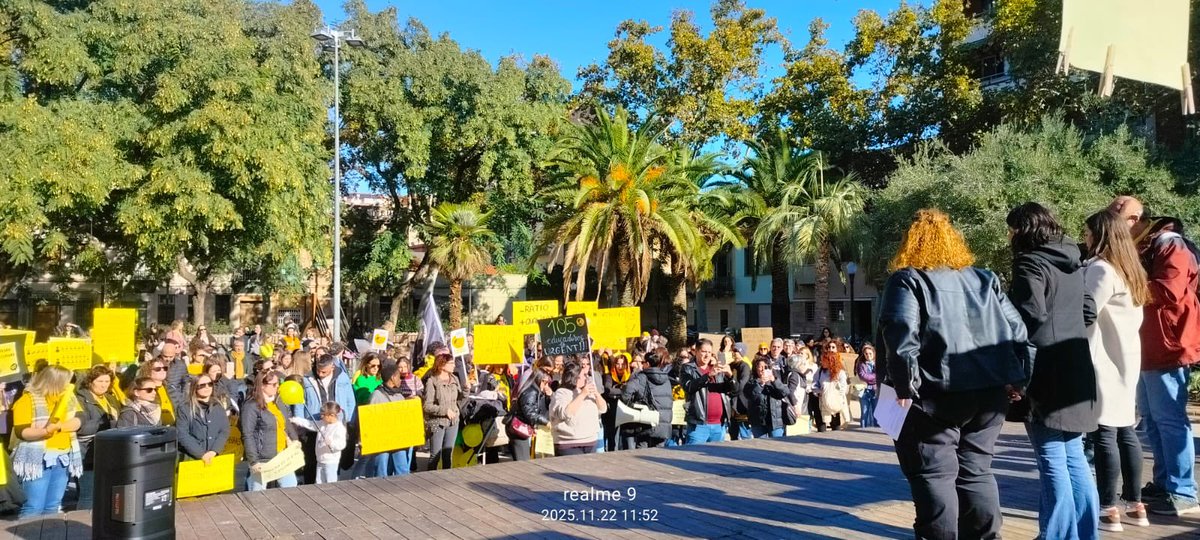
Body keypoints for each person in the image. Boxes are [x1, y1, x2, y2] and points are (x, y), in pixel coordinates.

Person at [878, 209, 1034, 540]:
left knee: (934, 475)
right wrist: (1018, 379)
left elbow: (901, 334)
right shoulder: (985, 279)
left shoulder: (908, 279)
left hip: (935, 394)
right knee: (977, 472)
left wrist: (904, 387)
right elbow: (1019, 332)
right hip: (989, 393)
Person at [1006, 202, 1099, 540]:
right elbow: (1089, 310)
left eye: (1011, 230)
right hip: (1076, 365)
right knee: (1074, 457)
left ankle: (1057, 536)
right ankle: (1085, 533)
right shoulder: (1073, 260)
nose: (1009, 236)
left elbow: (1029, 318)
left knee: (1052, 461)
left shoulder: (1029, 262)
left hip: (1044, 371)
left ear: (1023, 230)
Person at [1112, 197, 1200, 516]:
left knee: (1170, 419)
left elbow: (1169, 290)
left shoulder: (1169, 244)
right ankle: (1165, 484)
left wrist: (1121, 288)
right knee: (1152, 419)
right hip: (1149, 345)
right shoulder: (1146, 245)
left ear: (1135, 219)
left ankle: (1183, 491)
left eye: (1116, 220)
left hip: (1169, 344)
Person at [1081, 210, 1152, 531]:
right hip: (1127, 357)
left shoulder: (1102, 269)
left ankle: (1108, 507)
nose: (1085, 238)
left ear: (1100, 235)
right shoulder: (1131, 269)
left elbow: (1086, 311)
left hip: (1103, 359)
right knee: (1125, 431)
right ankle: (1136, 505)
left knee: (1104, 433)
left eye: (1087, 232)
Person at [10, 365, 83, 519]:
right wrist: (44, 432)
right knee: (34, 506)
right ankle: (27, 531)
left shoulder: (69, 398)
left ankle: (49, 531)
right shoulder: (27, 399)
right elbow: (22, 431)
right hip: (38, 459)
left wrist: (60, 427)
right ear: (55, 381)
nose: (69, 384)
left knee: (53, 505)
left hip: (63, 456)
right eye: (66, 381)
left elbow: (78, 421)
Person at [298, 354, 356, 484]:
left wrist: (348, 421)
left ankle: (332, 484)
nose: (320, 374)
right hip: (314, 422)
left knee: (333, 459)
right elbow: (300, 402)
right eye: (318, 370)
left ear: (332, 367)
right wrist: (300, 425)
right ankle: (310, 487)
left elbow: (350, 400)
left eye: (324, 372)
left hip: (335, 423)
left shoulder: (342, 377)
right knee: (311, 461)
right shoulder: (307, 379)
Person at [241, 371, 299, 490]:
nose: (277, 386)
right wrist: (253, 461)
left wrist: (295, 440)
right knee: (257, 493)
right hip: (262, 458)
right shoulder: (251, 406)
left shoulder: (278, 402)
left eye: (278, 383)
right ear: (262, 385)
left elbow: (286, 423)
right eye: (273, 384)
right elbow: (247, 434)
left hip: (282, 455)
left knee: (291, 488)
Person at [74, 366, 121, 511]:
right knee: (88, 495)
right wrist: (108, 423)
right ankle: (82, 521)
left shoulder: (110, 398)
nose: (104, 385)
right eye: (100, 381)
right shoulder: (80, 399)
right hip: (87, 453)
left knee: (105, 493)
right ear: (90, 382)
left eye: (107, 381)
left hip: (108, 452)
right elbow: (81, 428)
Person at [678, 338, 734, 444]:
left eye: (709, 352)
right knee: (693, 454)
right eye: (704, 351)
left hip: (719, 425)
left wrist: (730, 376)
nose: (707, 355)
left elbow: (733, 391)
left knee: (716, 455)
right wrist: (708, 376)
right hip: (699, 425)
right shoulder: (687, 368)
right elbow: (688, 386)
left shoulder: (717, 368)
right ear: (696, 352)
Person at [549, 360, 607, 456]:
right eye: (584, 375)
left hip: (590, 442)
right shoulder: (561, 393)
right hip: (569, 444)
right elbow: (565, 413)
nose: (586, 378)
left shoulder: (588, 391)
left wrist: (597, 394)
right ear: (575, 377)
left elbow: (603, 409)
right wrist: (582, 395)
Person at [619, 349, 673, 449]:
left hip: (646, 422)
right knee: (658, 455)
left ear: (647, 364)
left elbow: (627, 391)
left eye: (643, 362)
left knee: (642, 452)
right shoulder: (667, 379)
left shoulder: (642, 377)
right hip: (664, 424)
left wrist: (631, 405)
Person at [369, 361, 413, 476]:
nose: (400, 380)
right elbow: (371, 418)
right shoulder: (377, 395)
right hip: (382, 439)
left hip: (398, 437)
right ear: (392, 378)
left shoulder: (399, 395)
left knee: (402, 468)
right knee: (381, 469)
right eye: (398, 376)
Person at [175, 373, 230, 464]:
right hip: (192, 458)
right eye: (202, 385)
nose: (207, 387)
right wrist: (200, 454)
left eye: (210, 384)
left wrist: (214, 450)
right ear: (195, 388)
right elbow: (182, 434)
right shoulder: (185, 408)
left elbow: (224, 430)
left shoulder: (218, 406)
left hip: (215, 456)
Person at [424, 353, 465, 470]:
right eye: (451, 363)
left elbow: (460, 400)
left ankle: (447, 478)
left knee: (448, 454)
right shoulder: (432, 381)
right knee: (435, 455)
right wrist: (444, 410)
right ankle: (430, 477)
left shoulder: (455, 379)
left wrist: (466, 390)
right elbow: (427, 406)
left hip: (453, 422)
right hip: (437, 422)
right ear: (442, 365)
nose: (454, 365)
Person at [290, 402, 347, 484]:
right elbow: (310, 424)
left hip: (331, 461)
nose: (321, 416)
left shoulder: (339, 428)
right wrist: (297, 420)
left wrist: (331, 443)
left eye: (324, 415)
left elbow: (342, 444)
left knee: (330, 482)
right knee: (319, 482)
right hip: (320, 460)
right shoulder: (322, 424)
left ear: (332, 415)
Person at [508, 369, 552, 461]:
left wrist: (548, 396)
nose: (546, 385)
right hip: (519, 428)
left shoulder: (533, 390)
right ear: (540, 380)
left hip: (521, 427)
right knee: (523, 460)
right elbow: (529, 412)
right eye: (545, 382)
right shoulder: (531, 392)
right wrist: (545, 422)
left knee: (523, 459)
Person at [744, 357, 790, 438]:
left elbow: (785, 392)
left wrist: (774, 380)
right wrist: (761, 384)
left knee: (776, 443)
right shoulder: (751, 382)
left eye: (765, 367)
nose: (763, 370)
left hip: (775, 421)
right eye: (760, 367)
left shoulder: (775, 380)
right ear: (755, 369)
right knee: (760, 444)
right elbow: (751, 396)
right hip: (758, 421)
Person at [815, 346, 850, 432]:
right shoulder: (820, 371)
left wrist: (836, 393)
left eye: (824, 360)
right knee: (823, 425)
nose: (821, 362)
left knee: (836, 427)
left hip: (837, 402)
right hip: (824, 401)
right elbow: (814, 383)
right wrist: (818, 392)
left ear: (830, 361)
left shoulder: (840, 372)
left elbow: (844, 387)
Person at [600, 353, 631, 451]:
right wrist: (623, 391)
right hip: (612, 411)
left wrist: (617, 392)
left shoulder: (630, 376)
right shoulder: (609, 376)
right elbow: (608, 390)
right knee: (612, 438)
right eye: (618, 364)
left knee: (625, 439)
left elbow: (632, 391)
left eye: (623, 364)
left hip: (627, 410)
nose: (620, 367)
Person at [856, 344, 879, 428]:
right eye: (866, 353)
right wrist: (874, 377)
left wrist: (872, 378)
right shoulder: (861, 364)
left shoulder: (878, 363)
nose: (868, 355)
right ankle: (863, 429)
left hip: (875, 391)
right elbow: (863, 376)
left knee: (876, 413)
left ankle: (876, 430)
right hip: (864, 391)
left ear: (873, 353)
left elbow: (880, 375)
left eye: (870, 353)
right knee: (864, 413)